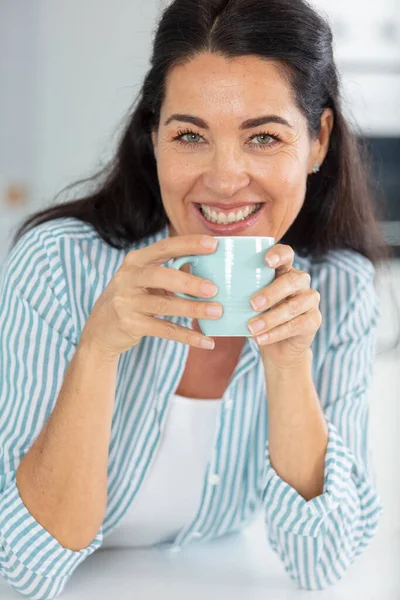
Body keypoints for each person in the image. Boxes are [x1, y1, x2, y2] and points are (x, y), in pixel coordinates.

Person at [0, 0, 391, 598]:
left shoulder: (340, 289)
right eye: (190, 135)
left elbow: (322, 563)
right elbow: (22, 570)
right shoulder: (58, 265)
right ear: (154, 138)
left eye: (264, 136)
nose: (225, 177)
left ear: (318, 141)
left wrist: (288, 367)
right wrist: (98, 350)